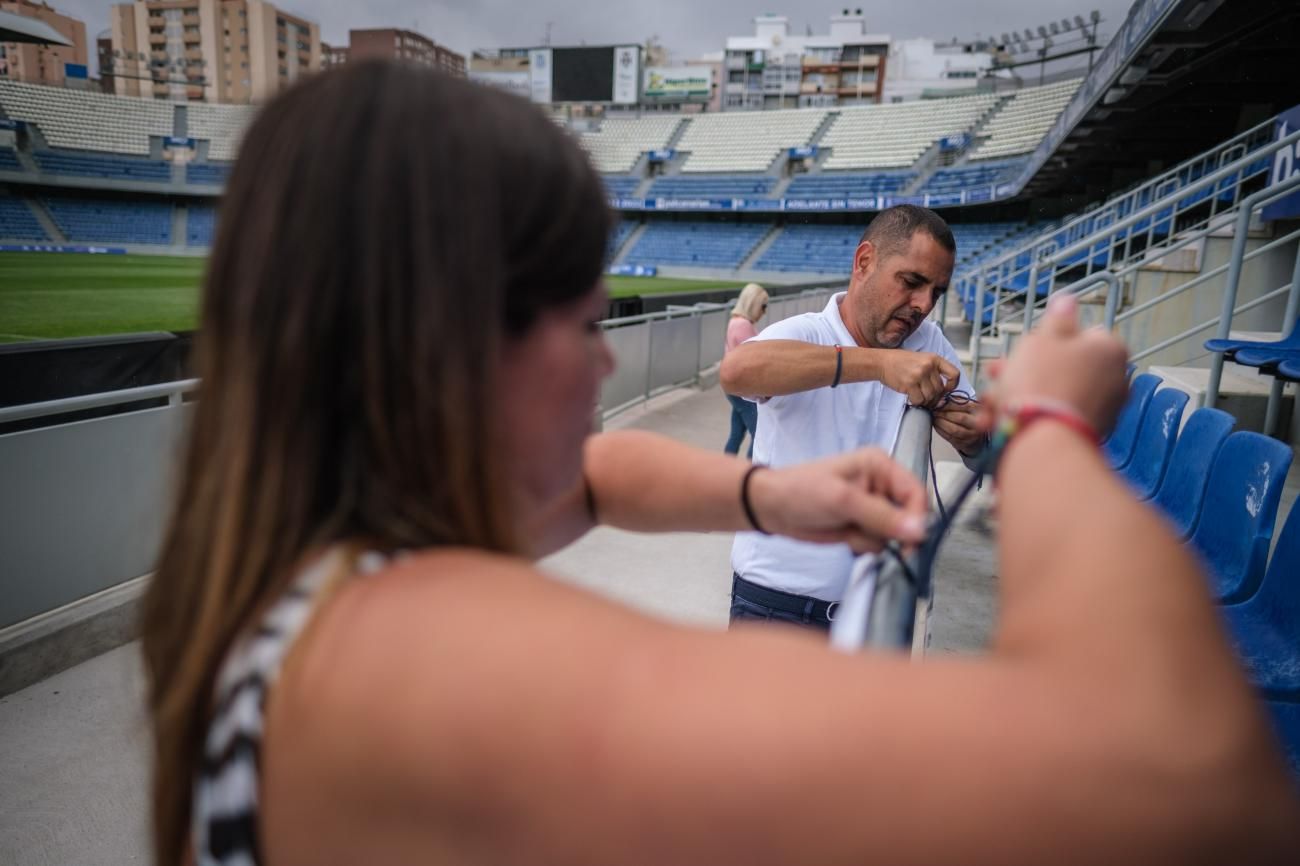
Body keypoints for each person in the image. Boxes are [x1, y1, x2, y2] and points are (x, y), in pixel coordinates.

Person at [141, 62, 1300, 866]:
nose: (605, 370)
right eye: (583, 324)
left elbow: (593, 478)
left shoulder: (321, 582)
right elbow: (1188, 787)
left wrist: (772, 490)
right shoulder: (429, 667)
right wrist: (1050, 431)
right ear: (445, 340)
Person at [720, 205, 986, 628]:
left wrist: (974, 439)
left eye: (937, 291)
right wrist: (879, 364)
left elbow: (981, 438)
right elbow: (736, 371)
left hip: (873, 614)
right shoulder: (807, 331)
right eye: (912, 282)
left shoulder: (927, 339)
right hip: (775, 606)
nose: (923, 305)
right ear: (864, 262)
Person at [723, 282, 768, 457]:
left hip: (734, 386)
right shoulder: (743, 325)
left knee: (736, 433)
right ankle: (748, 477)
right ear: (753, 303)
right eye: (763, 306)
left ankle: (725, 472)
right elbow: (753, 358)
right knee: (758, 435)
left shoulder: (736, 321)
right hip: (741, 388)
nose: (764, 311)